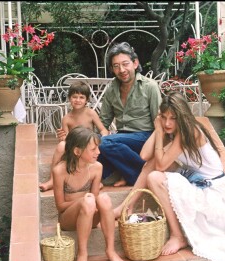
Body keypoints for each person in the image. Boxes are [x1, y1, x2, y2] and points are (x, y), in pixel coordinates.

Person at [114, 91, 225, 261]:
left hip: (211, 190)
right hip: (196, 180)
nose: (168, 123)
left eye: (173, 118)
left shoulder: (190, 131)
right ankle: (126, 206)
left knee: (155, 176)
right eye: (165, 118)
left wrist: (160, 132)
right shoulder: (174, 132)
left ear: (182, 117)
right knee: (150, 165)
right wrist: (157, 128)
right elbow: (144, 156)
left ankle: (178, 236)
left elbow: (160, 165)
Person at [58, 42, 162, 187]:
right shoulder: (111, 89)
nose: (122, 70)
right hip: (122, 138)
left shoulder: (149, 86)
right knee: (92, 144)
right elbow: (104, 121)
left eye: (125, 64)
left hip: (144, 137)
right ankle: (91, 179)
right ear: (112, 69)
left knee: (105, 143)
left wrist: (159, 148)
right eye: (116, 66)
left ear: (135, 63)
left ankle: (139, 174)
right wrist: (85, 139)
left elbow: (159, 120)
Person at [53, 126, 126, 261]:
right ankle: (82, 254)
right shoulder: (60, 171)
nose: (98, 152)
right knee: (88, 201)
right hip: (68, 219)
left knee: (104, 198)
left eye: (97, 148)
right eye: (93, 149)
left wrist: (91, 203)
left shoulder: (97, 168)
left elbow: (95, 199)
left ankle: (110, 250)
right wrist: (83, 201)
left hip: (89, 215)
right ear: (77, 151)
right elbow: (60, 206)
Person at [39, 81, 109, 192]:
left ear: (87, 100)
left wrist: (103, 137)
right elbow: (67, 139)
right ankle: (52, 180)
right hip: (75, 149)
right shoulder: (67, 118)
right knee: (61, 145)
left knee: (96, 147)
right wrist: (62, 139)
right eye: (74, 97)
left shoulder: (91, 113)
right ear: (69, 98)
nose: (78, 100)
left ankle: (95, 181)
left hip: (89, 146)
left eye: (81, 97)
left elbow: (103, 129)